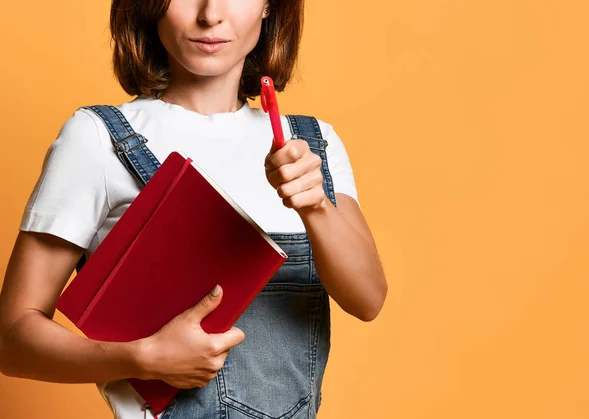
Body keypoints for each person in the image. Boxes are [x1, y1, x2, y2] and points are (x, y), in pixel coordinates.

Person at [0, 0, 387, 418]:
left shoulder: (312, 142)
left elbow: (368, 301)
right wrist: (144, 358)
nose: (210, 14)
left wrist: (315, 208)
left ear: (268, 7)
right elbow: (11, 341)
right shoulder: (97, 139)